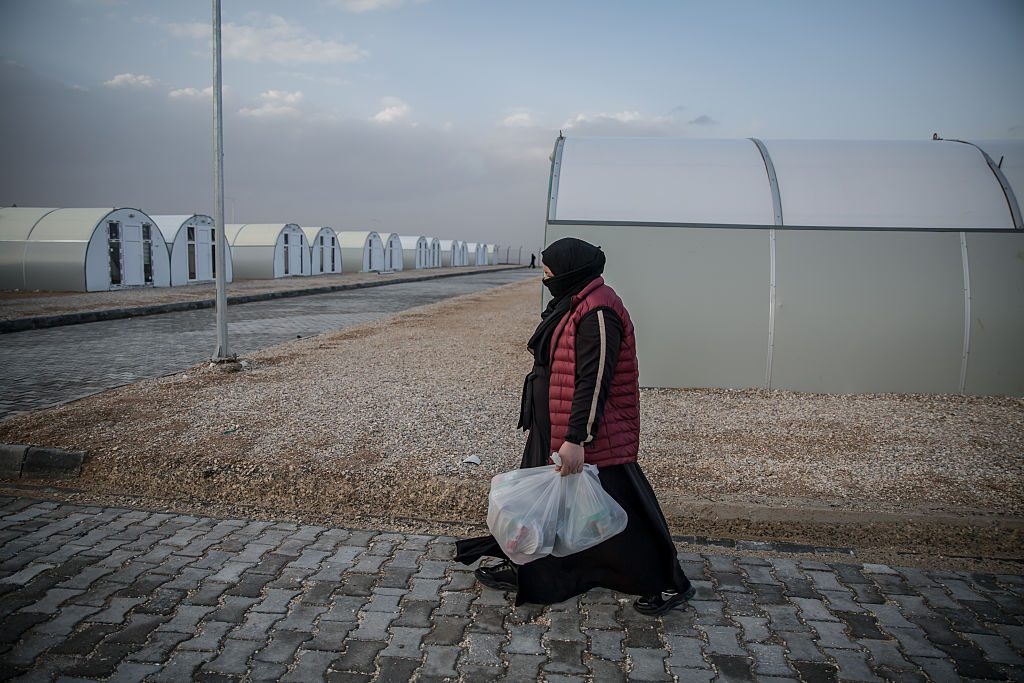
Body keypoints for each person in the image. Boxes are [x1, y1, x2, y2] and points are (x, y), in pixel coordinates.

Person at [455, 237, 694, 614]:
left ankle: (666, 582)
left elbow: (594, 379)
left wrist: (576, 438)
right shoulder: (573, 302)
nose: (546, 279)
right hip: (555, 423)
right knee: (547, 506)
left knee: (621, 510)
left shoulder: (599, 311)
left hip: (590, 431)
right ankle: (529, 569)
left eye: (549, 273)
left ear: (571, 272)